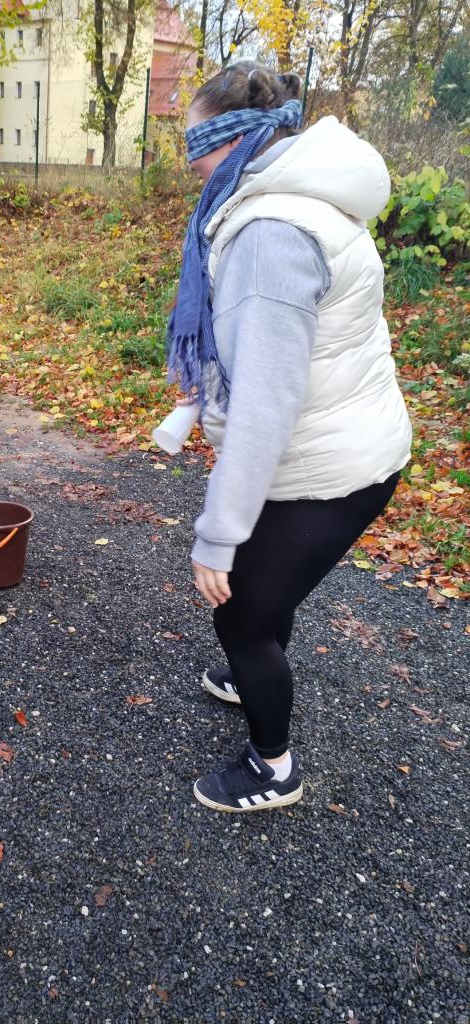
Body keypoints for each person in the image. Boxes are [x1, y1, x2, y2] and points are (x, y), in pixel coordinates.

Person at [165, 61, 412, 813]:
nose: (190, 165)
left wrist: (217, 535)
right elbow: (278, 354)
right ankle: (252, 672)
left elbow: (266, 405)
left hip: (329, 466)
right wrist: (196, 404)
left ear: (234, 141)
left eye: (194, 146)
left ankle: (273, 770)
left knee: (238, 611)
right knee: (265, 592)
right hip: (347, 440)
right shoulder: (308, 199)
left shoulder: (271, 233)